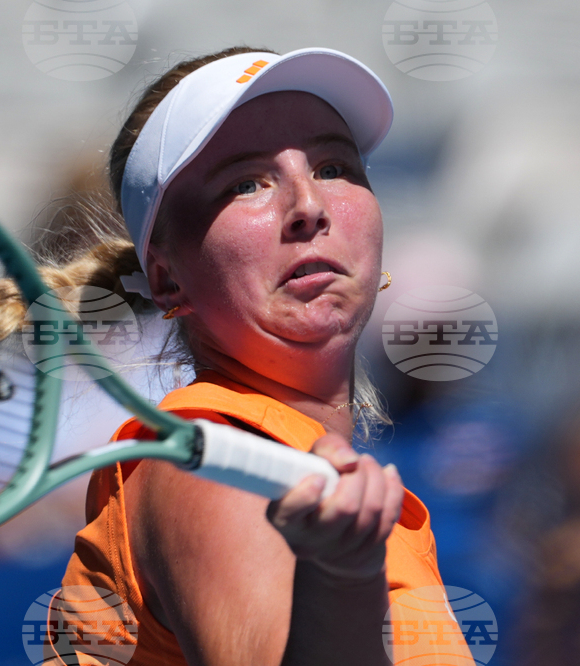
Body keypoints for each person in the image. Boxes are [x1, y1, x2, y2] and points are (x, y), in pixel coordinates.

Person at [44, 46, 476, 665]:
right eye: (246, 183)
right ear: (166, 278)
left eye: (333, 167)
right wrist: (342, 579)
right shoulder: (208, 462)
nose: (309, 207)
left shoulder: (265, 454)